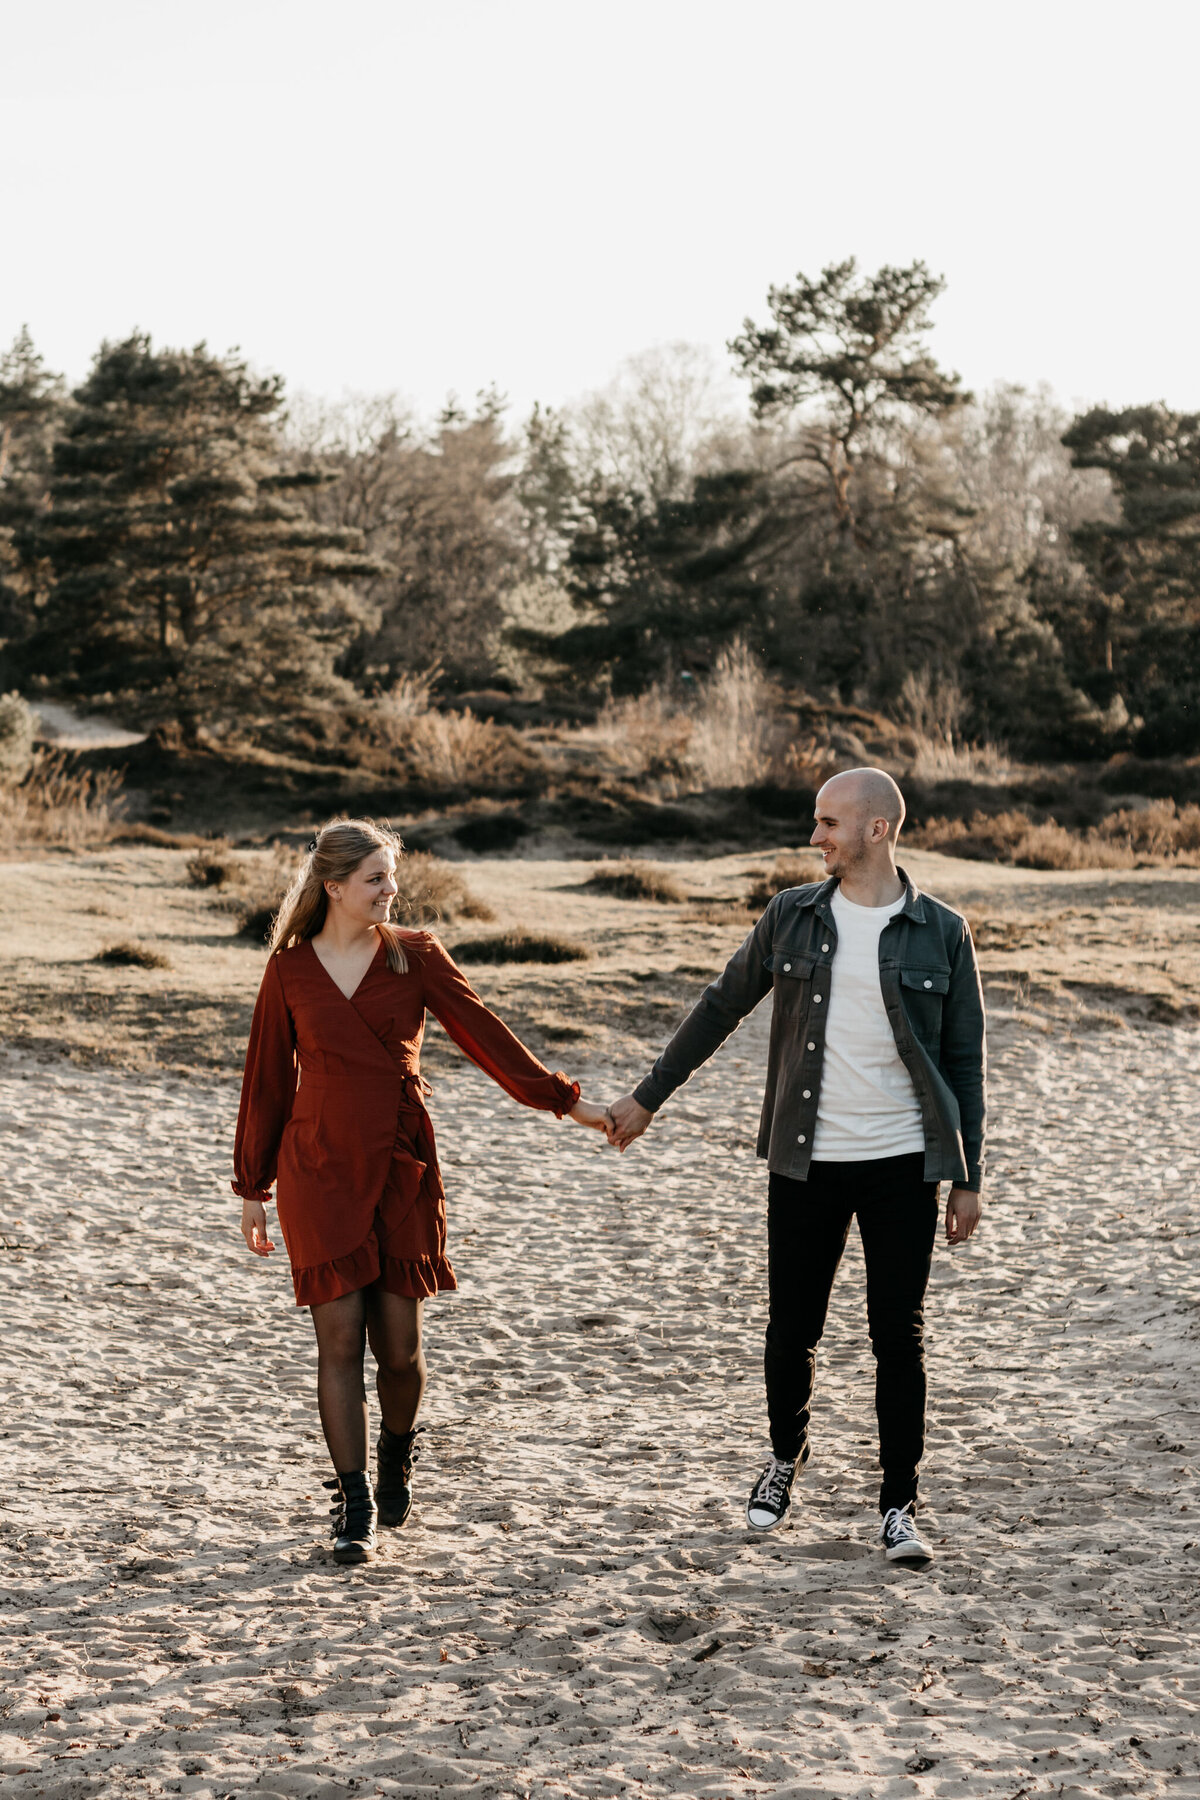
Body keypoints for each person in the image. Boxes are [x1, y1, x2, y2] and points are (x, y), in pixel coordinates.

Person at [606, 768, 985, 1565]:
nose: (814, 838)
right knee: (792, 1328)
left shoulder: (942, 932)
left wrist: (968, 1176)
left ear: (877, 829)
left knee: (898, 1338)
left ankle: (898, 1505)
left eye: (828, 823)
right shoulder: (791, 917)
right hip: (805, 1159)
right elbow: (719, 1004)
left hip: (904, 1164)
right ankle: (784, 1460)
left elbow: (963, 1061)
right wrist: (650, 1097)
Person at [233, 818, 609, 1565]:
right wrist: (253, 1185)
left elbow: (486, 1036)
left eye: (391, 876)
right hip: (319, 1167)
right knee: (338, 1339)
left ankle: (397, 1453)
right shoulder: (289, 970)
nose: (390, 889)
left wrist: (567, 1102)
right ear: (334, 886)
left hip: (402, 1162)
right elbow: (267, 1080)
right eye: (375, 878)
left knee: (399, 1350)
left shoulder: (416, 956)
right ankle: (354, 1504)